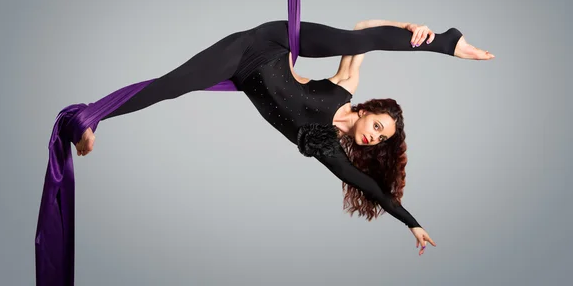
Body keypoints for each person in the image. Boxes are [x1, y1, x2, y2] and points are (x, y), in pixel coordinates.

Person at [73, 19, 493, 256]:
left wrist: (412, 224)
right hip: (270, 41)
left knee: (170, 86)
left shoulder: (324, 145)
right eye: (378, 126)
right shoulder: (346, 85)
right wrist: (408, 26)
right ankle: (445, 42)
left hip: (237, 64)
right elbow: (364, 31)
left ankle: (88, 119)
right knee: (172, 84)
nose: (373, 137)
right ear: (369, 110)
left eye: (381, 139)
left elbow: (369, 187)